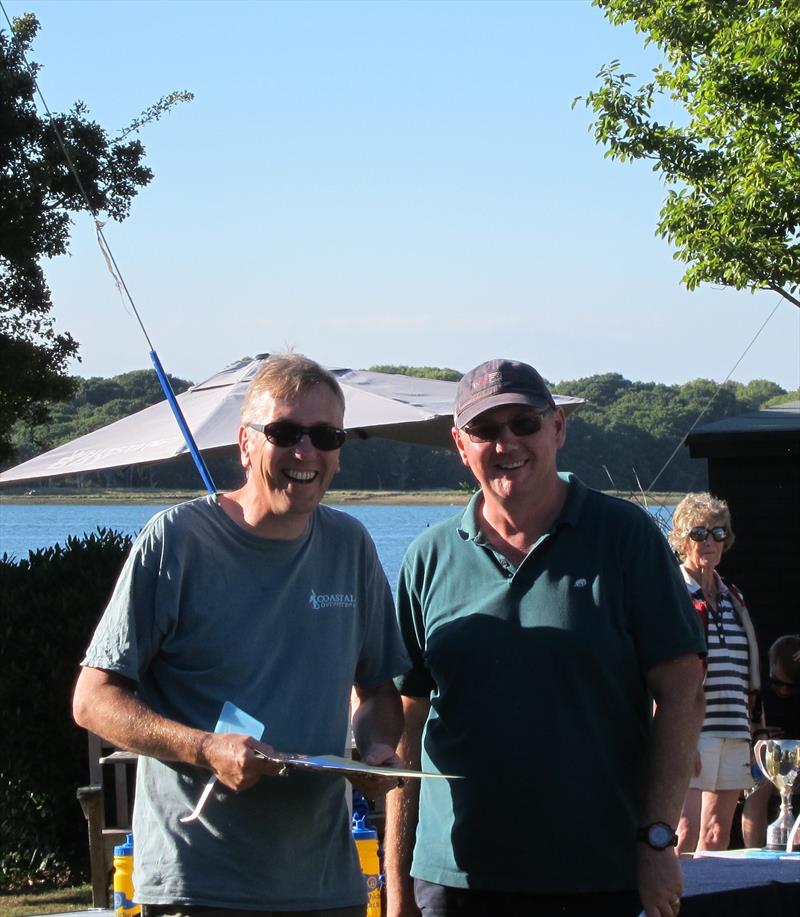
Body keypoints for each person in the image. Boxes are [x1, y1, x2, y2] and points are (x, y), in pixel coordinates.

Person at [72, 352, 410, 917]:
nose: (306, 452)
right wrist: (206, 748)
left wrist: (375, 748)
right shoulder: (176, 541)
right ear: (245, 443)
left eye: (325, 435)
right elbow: (92, 700)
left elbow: (377, 690)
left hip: (327, 888)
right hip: (198, 885)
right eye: (284, 432)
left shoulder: (351, 546)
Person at [384, 358, 706, 917]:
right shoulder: (427, 558)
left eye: (524, 423)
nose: (507, 442)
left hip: (596, 874)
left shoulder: (626, 538)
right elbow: (404, 725)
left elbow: (682, 696)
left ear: (558, 427)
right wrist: (397, 884)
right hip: (453, 878)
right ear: (461, 446)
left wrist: (657, 838)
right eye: (486, 430)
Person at [668, 493, 761, 854]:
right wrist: (678, 737)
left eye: (718, 533)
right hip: (691, 729)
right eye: (699, 532)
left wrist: (756, 730)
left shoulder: (733, 596)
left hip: (734, 727)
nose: (709, 541)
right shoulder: (672, 593)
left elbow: (746, 674)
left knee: (718, 835)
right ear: (681, 539)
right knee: (684, 833)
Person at [742, 634, 800, 847]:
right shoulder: (758, 690)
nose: (784, 690)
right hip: (763, 763)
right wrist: (759, 735)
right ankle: (754, 853)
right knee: (760, 784)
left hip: (797, 764)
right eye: (778, 683)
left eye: (792, 687)